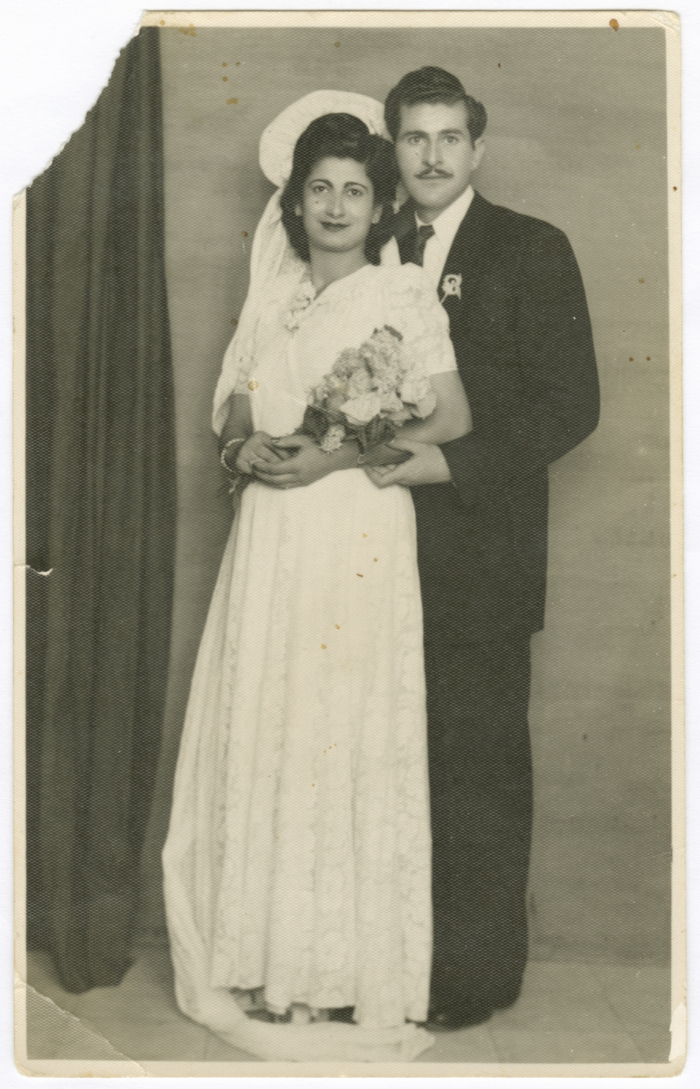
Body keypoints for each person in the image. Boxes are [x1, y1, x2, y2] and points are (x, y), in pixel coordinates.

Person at [162, 92, 472, 1062]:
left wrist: (333, 458)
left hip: (353, 529)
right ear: (293, 202)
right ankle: (266, 964)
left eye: (354, 191)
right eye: (319, 190)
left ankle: (336, 975)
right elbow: (235, 409)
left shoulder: (400, 295)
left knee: (341, 726)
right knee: (271, 720)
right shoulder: (272, 294)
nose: (335, 207)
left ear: (380, 206)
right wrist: (243, 451)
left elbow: (450, 416)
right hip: (270, 533)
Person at [373, 67, 601, 1030]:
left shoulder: (530, 248)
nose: (431, 156)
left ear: (478, 148)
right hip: (371, 553)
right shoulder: (369, 244)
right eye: (414, 137)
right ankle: (383, 962)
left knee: (475, 770)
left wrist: (451, 466)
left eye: (449, 137)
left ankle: (472, 977)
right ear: (393, 147)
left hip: (483, 560)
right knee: (384, 761)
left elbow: (572, 405)